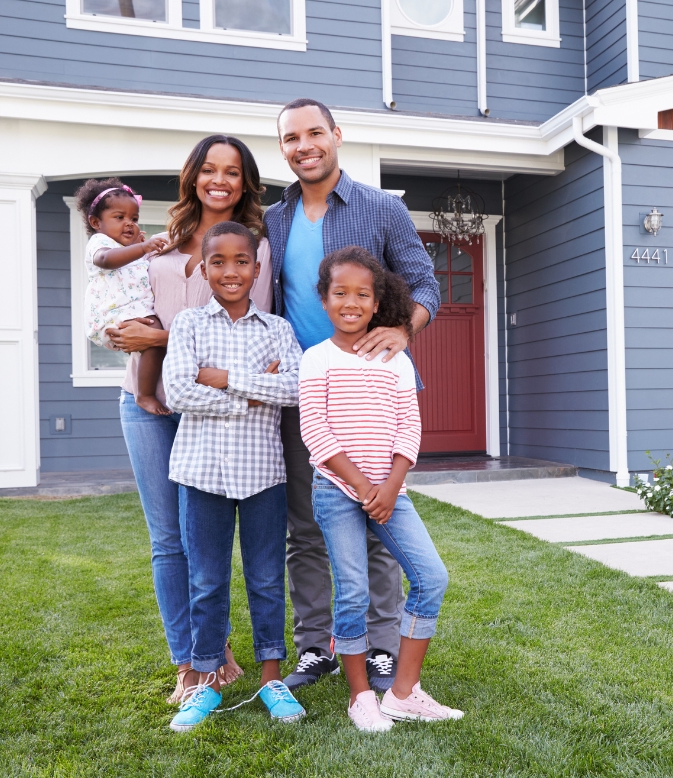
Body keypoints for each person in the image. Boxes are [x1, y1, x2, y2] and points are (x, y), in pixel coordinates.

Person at [266, 98, 441, 691]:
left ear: (337, 135)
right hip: (307, 393)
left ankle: (384, 647)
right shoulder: (274, 218)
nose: (304, 145)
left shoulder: (380, 208)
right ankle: (316, 647)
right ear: (283, 148)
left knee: (379, 524)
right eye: (291, 138)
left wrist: (403, 328)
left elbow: (425, 283)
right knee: (307, 526)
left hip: (375, 393)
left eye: (315, 132)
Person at [109, 135, 273, 704]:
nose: (219, 180)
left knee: (207, 538)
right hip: (147, 401)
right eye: (208, 169)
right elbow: (125, 313)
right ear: (193, 177)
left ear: (245, 181)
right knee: (166, 540)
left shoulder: (258, 250)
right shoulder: (156, 244)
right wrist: (124, 332)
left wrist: (157, 335)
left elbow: (249, 338)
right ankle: (192, 658)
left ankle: (213, 644)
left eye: (231, 171)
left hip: (215, 412)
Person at [301, 246, 460, 730]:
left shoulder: (397, 360)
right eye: (340, 292)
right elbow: (315, 431)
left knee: (431, 579)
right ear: (324, 300)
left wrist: (391, 487)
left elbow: (409, 428)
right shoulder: (316, 359)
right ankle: (360, 696)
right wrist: (364, 486)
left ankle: (403, 693)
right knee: (352, 593)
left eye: (362, 294)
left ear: (377, 303)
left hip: (392, 491)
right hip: (336, 490)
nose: (351, 302)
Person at [164, 221, 306, 732]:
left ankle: (272, 678)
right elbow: (178, 392)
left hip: (263, 473)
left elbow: (293, 389)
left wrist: (223, 381)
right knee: (206, 580)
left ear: (257, 267)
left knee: (267, 578)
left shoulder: (278, 331)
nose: (230, 271)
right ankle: (204, 680)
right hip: (201, 473)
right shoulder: (187, 325)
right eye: (218, 262)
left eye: (241, 261)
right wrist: (251, 393)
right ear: (204, 269)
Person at [75, 179, 168, 416]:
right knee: (154, 339)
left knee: (154, 340)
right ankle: (144, 394)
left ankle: (147, 390)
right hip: (113, 313)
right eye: (119, 218)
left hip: (133, 310)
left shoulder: (130, 249)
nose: (129, 224)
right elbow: (106, 260)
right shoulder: (100, 243)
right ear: (96, 222)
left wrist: (139, 248)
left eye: (134, 219)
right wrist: (143, 247)